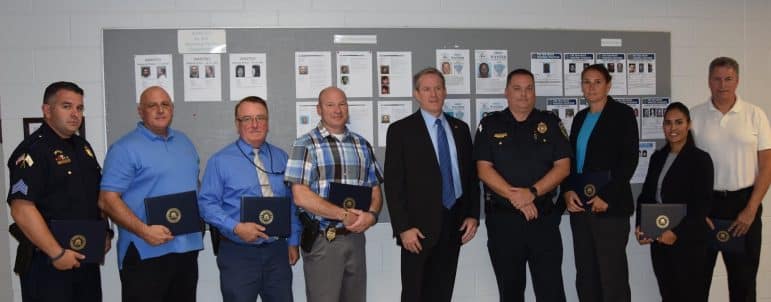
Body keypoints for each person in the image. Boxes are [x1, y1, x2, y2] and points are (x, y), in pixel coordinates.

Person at [99, 86, 204, 302]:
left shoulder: (185, 142)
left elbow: (193, 185)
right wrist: (145, 231)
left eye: (165, 104)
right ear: (140, 111)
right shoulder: (124, 148)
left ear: (172, 109)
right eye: (152, 105)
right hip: (144, 250)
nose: (160, 110)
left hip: (185, 250)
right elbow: (107, 200)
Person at [474, 69, 570, 301]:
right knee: (510, 292)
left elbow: (563, 167)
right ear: (506, 92)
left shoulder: (550, 122)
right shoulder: (490, 124)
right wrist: (518, 198)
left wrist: (532, 193)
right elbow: (483, 170)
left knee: (551, 291)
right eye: (517, 88)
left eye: (529, 88)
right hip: (504, 223)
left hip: (543, 220)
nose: (524, 94)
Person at [7, 82, 109, 302]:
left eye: (79, 108)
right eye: (66, 106)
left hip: (84, 258)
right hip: (47, 262)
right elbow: (21, 209)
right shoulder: (32, 151)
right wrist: (57, 253)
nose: (75, 114)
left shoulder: (83, 147)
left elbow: (96, 195)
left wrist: (105, 232)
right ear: (47, 110)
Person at [384, 67, 479, 302]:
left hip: (453, 223)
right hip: (417, 229)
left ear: (445, 92)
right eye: (426, 89)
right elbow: (394, 184)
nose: (433, 94)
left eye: (438, 88)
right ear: (417, 94)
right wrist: (403, 227)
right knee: (415, 293)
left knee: (442, 292)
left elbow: (470, 177)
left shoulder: (460, 129)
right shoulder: (401, 130)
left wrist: (472, 215)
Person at [285, 87, 383, 302]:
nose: (337, 110)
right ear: (319, 109)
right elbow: (300, 196)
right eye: (330, 105)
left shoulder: (362, 145)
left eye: (342, 104)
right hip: (323, 241)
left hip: (356, 239)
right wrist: (343, 215)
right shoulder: (304, 145)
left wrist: (372, 216)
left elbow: (375, 189)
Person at [198, 96, 302, 302]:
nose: (255, 124)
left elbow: (292, 202)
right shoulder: (220, 161)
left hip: (276, 252)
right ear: (238, 124)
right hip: (238, 253)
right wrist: (236, 227)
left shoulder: (281, 157)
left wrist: (293, 241)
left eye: (260, 118)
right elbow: (206, 204)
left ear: (268, 122)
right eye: (247, 119)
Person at [691, 56, 771, 302]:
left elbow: (767, 166)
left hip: (743, 205)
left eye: (728, 79)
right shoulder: (694, 116)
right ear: (708, 81)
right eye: (717, 79)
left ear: (737, 81)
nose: (722, 85)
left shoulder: (755, 115)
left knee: (743, 284)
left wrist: (750, 209)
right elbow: (688, 170)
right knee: (697, 282)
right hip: (707, 207)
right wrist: (696, 210)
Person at [560, 64, 639, 302]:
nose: (591, 87)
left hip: (610, 209)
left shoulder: (623, 114)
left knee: (611, 276)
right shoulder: (581, 118)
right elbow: (572, 163)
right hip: (581, 208)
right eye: (586, 82)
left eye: (597, 82)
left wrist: (607, 196)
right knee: (586, 274)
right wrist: (568, 190)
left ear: (608, 85)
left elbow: (629, 161)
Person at [635, 102, 714, 302]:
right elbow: (646, 196)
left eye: (678, 122)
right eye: (668, 123)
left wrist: (676, 233)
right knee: (668, 295)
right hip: (660, 239)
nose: (673, 128)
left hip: (688, 242)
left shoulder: (700, 160)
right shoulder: (658, 157)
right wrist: (641, 226)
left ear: (689, 125)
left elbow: (700, 206)